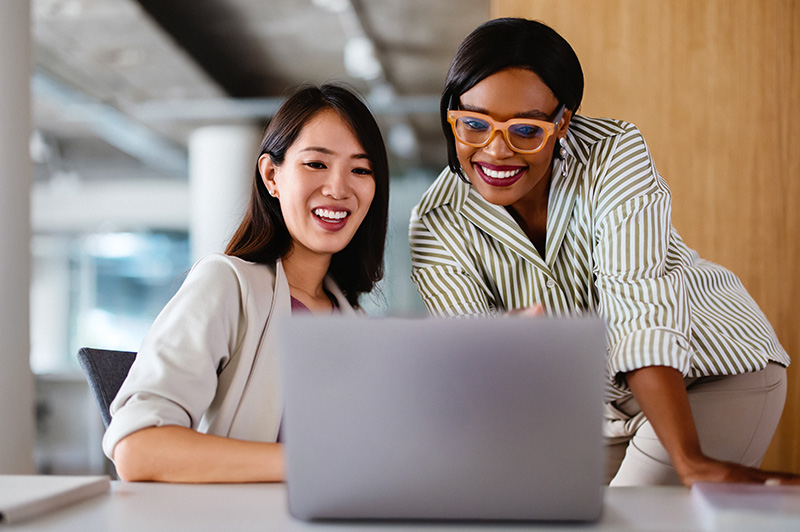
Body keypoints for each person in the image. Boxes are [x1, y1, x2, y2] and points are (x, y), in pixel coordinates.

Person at [409, 17, 800, 487]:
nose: (495, 152)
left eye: (526, 131)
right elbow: (477, 366)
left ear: (562, 122)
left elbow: (639, 305)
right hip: (597, 410)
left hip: (709, 375)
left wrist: (689, 459)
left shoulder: (613, 154)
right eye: (473, 124)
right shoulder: (436, 222)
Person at [103, 84, 389, 483]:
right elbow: (138, 448)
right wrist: (311, 463)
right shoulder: (227, 284)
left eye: (360, 170)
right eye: (316, 164)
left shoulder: (353, 319)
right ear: (272, 176)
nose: (339, 188)